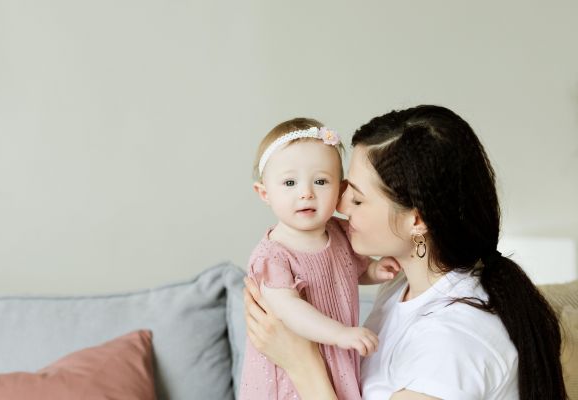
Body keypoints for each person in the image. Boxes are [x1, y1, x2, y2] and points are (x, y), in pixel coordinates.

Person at [243, 106, 567, 400]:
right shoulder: (403, 285)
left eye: (355, 199)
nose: (338, 207)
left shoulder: (451, 344)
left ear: (416, 220)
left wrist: (302, 363)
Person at [239, 118, 401, 400]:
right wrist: (340, 334)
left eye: (321, 181)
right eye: (289, 182)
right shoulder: (272, 256)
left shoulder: (340, 232)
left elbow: (349, 272)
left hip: (335, 357)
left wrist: (373, 270)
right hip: (290, 369)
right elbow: (288, 310)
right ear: (264, 193)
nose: (306, 192)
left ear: (340, 190)